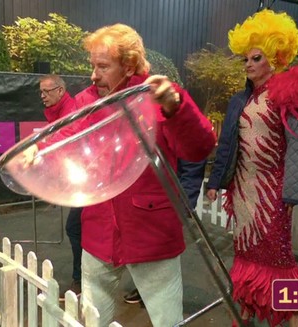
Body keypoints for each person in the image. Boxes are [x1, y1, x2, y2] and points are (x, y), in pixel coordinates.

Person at [72, 24, 216, 327]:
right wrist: (40, 152)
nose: (93, 75)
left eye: (102, 66)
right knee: (92, 320)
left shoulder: (159, 97)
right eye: (92, 66)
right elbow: (65, 140)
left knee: (166, 320)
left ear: (128, 65)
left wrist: (174, 106)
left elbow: (199, 147)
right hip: (97, 231)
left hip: (151, 231)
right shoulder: (86, 101)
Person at [206, 10, 298, 327]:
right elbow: (228, 145)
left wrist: (296, 190)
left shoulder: (288, 93)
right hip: (243, 189)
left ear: (274, 56)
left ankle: (292, 317)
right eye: (245, 59)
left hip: (273, 191)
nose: (248, 64)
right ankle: (245, 311)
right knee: (245, 251)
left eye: (255, 58)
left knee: (278, 256)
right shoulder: (240, 100)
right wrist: (216, 182)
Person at [123, 158, 207, 305]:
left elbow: (192, 165)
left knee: (160, 258)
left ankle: (151, 291)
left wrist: (183, 207)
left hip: (165, 203)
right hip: (138, 200)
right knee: (144, 253)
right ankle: (143, 288)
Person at [38, 74, 83, 299]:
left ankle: (82, 280)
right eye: (41, 92)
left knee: (76, 228)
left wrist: (38, 148)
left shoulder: (71, 109)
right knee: (79, 229)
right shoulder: (56, 112)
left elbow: (67, 139)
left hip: (88, 179)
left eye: (46, 91)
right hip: (81, 179)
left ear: (60, 90)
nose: (42, 96)